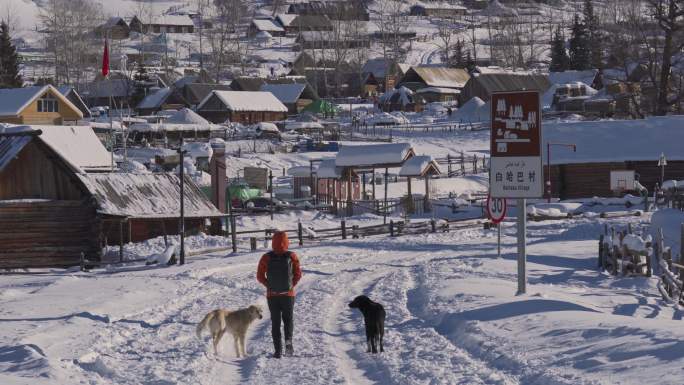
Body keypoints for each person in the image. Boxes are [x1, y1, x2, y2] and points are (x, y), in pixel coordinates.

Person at [257, 231, 302, 358]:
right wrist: (290, 285)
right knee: (288, 320)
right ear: (286, 241)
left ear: (273, 241)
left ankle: (277, 351)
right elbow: (298, 274)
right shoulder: (292, 255)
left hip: (272, 296)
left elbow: (259, 276)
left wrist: (269, 286)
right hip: (288, 295)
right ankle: (288, 344)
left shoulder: (266, 257)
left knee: (275, 322)